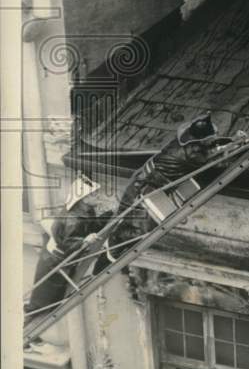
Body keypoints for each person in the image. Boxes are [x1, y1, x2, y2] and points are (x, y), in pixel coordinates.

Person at [101, 113, 238, 266]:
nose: (214, 137)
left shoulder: (186, 143)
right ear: (198, 142)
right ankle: (113, 247)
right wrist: (234, 144)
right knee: (139, 229)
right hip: (146, 185)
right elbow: (214, 158)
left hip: (146, 178)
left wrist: (230, 141)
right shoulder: (190, 155)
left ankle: (113, 241)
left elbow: (210, 146)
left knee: (128, 218)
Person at [25, 175, 116, 317]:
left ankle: (44, 310)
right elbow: (67, 243)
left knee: (56, 293)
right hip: (55, 261)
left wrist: (108, 214)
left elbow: (91, 226)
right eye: (94, 194)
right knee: (45, 296)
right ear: (84, 198)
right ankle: (33, 313)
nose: (98, 195)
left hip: (63, 260)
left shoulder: (85, 211)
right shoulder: (73, 220)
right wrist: (85, 241)